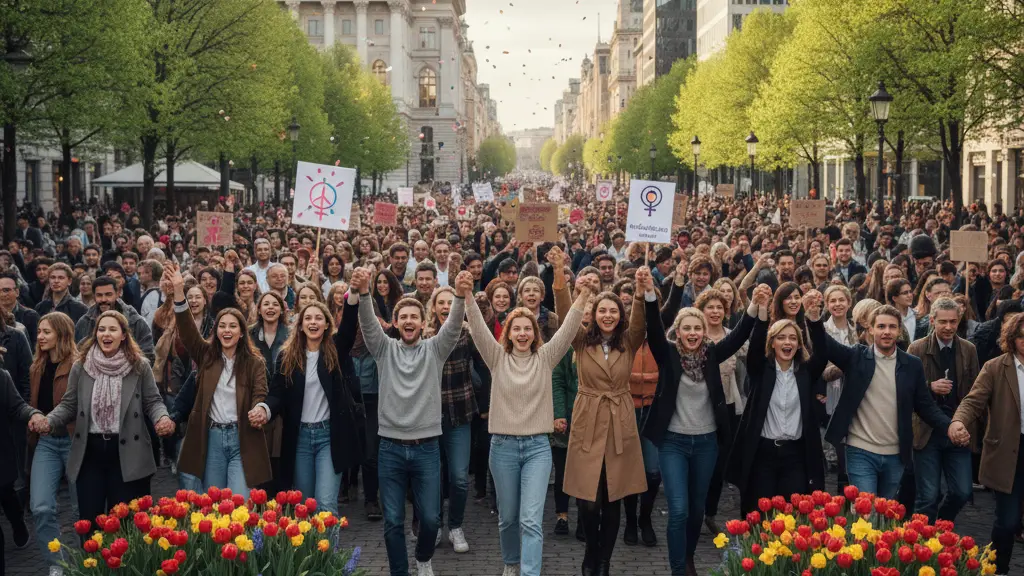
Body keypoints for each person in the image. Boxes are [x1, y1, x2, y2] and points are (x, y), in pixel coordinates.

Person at [459, 267, 589, 576]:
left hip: (537, 449)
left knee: (531, 519)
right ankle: (511, 563)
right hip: (502, 447)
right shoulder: (496, 357)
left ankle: (530, 572)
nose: (521, 334)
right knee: (508, 518)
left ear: (534, 333)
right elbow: (477, 327)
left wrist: (582, 296)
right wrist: (465, 294)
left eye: (527, 329)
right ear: (507, 333)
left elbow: (569, 328)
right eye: (515, 329)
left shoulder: (546, 357)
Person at [349, 265, 466, 576]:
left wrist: (459, 295)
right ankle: (399, 572)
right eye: (404, 317)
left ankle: (423, 556)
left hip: (427, 448)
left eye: (415, 317)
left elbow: (453, 327)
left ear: (423, 322)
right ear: (397, 323)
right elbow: (368, 325)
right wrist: (363, 293)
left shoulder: (435, 350)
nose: (409, 321)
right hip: (390, 448)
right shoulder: (384, 350)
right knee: (392, 521)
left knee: (429, 519)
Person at [642, 281, 765, 576]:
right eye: (687, 329)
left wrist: (754, 304)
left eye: (697, 329)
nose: (693, 334)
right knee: (679, 510)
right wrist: (648, 292)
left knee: (697, 510)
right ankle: (677, 569)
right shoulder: (668, 354)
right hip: (673, 442)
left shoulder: (711, 355)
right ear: (679, 332)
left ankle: (688, 556)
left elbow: (737, 337)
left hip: (707, 443)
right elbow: (654, 328)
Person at [551, 248, 648, 576]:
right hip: (588, 416)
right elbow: (565, 313)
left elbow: (639, 320)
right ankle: (591, 550)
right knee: (588, 499)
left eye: (613, 311)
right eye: (602, 310)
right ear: (594, 313)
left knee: (613, 497)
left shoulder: (629, 342)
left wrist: (640, 290)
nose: (608, 315)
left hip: (619, 420)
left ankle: (604, 562)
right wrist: (560, 278)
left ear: (620, 314)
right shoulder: (580, 341)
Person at [38, 310, 175, 530]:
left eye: (112, 329)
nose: (106, 334)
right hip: (90, 451)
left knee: (124, 524)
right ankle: (93, 564)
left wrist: (162, 418)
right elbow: (69, 404)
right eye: (101, 329)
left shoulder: (139, 366)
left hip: (127, 451)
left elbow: (153, 402)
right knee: (90, 523)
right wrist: (49, 420)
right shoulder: (81, 366)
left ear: (123, 335)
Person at [821, 304, 951, 498]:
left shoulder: (912, 365)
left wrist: (950, 427)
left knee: (885, 513)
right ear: (871, 329)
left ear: (899, 331)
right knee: (869, 512)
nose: (886, 332)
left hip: (895, 454)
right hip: (860, 449)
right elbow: (826, 345)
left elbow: (925, 406)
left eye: (892, 327)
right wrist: (814, 319)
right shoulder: (856, 357)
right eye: (881, 326)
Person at [166, 262, 272, 499]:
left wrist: (259, 409)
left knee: (239, 502)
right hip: (211, 437)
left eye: (233, 326)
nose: (227, 330)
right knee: (214, 504)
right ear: (215, 331)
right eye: (222, 326)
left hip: (241, 437)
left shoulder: (255, 363)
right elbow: (187, 331)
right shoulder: (206, 356)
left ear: (242, 332)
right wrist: (179, 292)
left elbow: (260, 394)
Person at [727, 289, 828, 513]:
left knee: (791, 518)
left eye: (792, 338)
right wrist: (762, 311)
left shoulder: (805, 373)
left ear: (799, 345)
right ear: (772, 343)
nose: (787, 342)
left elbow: (822, 353)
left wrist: (813, 317)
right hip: (763, 455)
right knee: (759, 516)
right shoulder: (761, 371)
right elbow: (753, 350)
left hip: (795, 456)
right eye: (781, 337)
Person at [266, 300, 363, 516]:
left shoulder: (335, 350)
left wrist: (353, 296)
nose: (313, 322)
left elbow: (348, 327)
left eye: (318, 318)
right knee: (304, 506)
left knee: (326, 505)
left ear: (327, 324)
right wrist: (264, 409)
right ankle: (312, 551)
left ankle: (329, 550)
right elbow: (276, 393)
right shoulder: (286, 356)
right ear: (300, 325)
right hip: (300, 438)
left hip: (329, 437)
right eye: (308, 318)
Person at [949, 311, 1024, 576]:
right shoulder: (995, 367)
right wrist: (958, 422)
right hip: (1007, 453)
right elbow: (973, 401)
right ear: (1011, 338)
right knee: (1007, 520)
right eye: (1021, 337)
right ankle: (997, 569)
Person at [423, 285, 484, 553]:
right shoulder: (423, 336)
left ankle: (456, 526)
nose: (446, 307)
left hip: (460, 413)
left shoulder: (467, 333)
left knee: (459, 477)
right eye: (441, 302)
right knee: (433, 477)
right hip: (428, 417)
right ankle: (434, 526)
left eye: (451, 302)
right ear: (433, 307)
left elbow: (487, 364)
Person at [908, 297, 979, 522]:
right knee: (927, 496)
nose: (948, 327)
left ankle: (940, 527)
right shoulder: (917, 348)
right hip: (927, 430)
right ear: (932, 321)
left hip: (957, 429)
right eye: (943, 322)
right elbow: (906, 389)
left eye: (953, 322)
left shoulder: (969, 349)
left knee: (962, 492)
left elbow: (975, 391)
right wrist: (930, 387)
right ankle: (921, 543)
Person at [27, 313, 78, 575]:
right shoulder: (37, 365)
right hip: (46, 442)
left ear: (62, 333)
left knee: (81, 509)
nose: (40, 337)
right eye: (38, 331)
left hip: (73, 440)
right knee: (41, 506)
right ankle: (56, 564)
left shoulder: (78, 365)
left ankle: (86, 563)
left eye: (46, 332)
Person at [2, 359, 48, 575]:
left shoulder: (2, 377)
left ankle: (18, 522)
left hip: (1, 456)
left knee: (5, 493)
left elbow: (17, 405)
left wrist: (33, 414)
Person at [250, 291, 290, 493]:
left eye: (275, 304)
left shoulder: (291, 335)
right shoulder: (249, 335)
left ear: (282, 309)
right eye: (266, 304)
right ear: (259, 309)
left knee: (280, 457)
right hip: (255, 401)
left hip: (283, 404)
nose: (270, 308)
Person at [74, 276, 155, 362]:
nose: (103, 299)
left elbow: (148, 356)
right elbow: (77, 356)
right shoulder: (85, 322)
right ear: (94, 296)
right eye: (99, 295)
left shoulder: (135, 321)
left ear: (118, 293)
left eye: (108, 294)